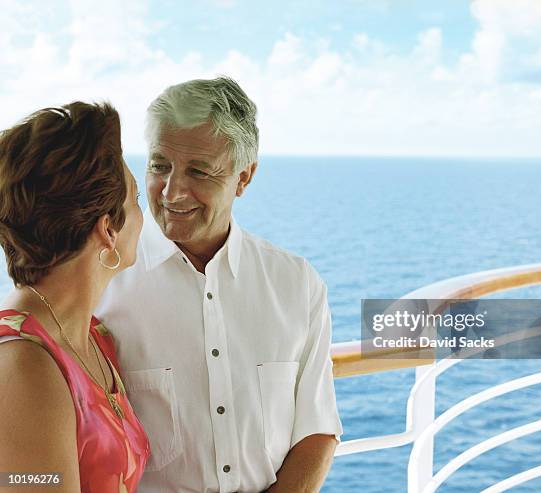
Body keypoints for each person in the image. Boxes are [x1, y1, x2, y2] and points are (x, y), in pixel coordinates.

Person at [95, 77, 343, 493]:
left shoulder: (297, 284)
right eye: (159, 166)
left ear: (243, 178)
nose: (172, 191)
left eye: (198, 171)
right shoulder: (103, 287)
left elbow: (316, 428)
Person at [0, 102, 150, 492]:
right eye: (136, 201)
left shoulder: (93, 336)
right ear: (108, 232)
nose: (143, 216)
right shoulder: (23, 366)